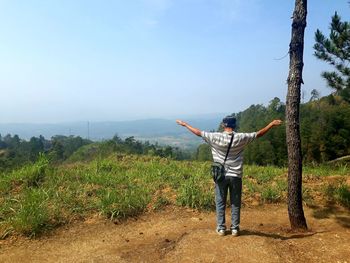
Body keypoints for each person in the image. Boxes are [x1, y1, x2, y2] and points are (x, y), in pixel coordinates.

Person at [176, 116, 282, 236]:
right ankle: (235, 229)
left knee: (220, 201)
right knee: (235, 202)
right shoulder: (241, 137)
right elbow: (258, 134)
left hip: (220, 175)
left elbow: (198, 133)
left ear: (223, 125)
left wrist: (185, 124)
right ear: (235, 125)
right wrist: (271, 124)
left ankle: (221, 228)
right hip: (236, 175)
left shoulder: (215, 137)